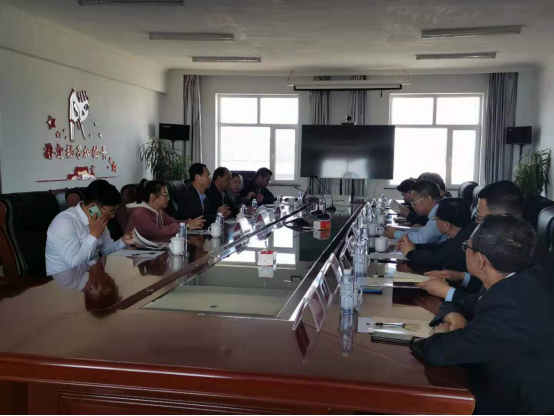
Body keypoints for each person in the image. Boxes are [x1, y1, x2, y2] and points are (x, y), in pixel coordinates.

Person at [409, 215, 554, 414]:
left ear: (480, 260)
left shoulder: (509, 309)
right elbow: (460, 303)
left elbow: (437, 352)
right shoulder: (518, 277)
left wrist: (440, 334)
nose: (465, 252)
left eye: (466, 247)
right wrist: (455, 317)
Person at [418, 181, 525, 301]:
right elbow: (483, 291)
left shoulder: (519, 257)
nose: (477, 225)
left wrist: (448, 293)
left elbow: (488, 304)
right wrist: (461, 277)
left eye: (480, 218)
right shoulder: (506, 242)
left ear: (502, 217)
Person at [46, 180, 134, 275]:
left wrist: (123, 241)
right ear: (93, 207)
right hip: (64, 279)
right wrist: (94, 235)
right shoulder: (64, 222)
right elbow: (74, 264)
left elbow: (106, 250)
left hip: (92, 273)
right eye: (111, 212)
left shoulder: (98, 218)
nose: (113, 216)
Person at [397, 197, 477, 273]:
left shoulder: (465, 244)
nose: (434, 222)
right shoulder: (464, 232)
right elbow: (437, 247)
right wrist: (411, 246)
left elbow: (437, 259)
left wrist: (411, 253)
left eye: (435, 219)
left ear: (447, 225)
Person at [125, 179, 204, 240]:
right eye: (165, 195)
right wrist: (186, 226)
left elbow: (173, 222)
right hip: (136, 252)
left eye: (168, 195)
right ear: (152, 196)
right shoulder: (139, 213)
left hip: (152, 248)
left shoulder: (158, 211)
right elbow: (157, 232)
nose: (168, 198)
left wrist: (189, 222)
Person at [384, 180, 448, 244]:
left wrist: (395, 234)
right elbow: (423, 231)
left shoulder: (439, 214)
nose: (412, 205)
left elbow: (421, 239)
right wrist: (403, 229)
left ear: (428, 200)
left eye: (414, 202)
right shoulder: (437, 210)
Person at [177, 163, 227, 228]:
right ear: (197, 177)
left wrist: (220, 213)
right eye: (208, 176)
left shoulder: (203, 194)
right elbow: (199, 218)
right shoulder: (188, 195)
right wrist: (217, 215)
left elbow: (208, 213)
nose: (210, 179)